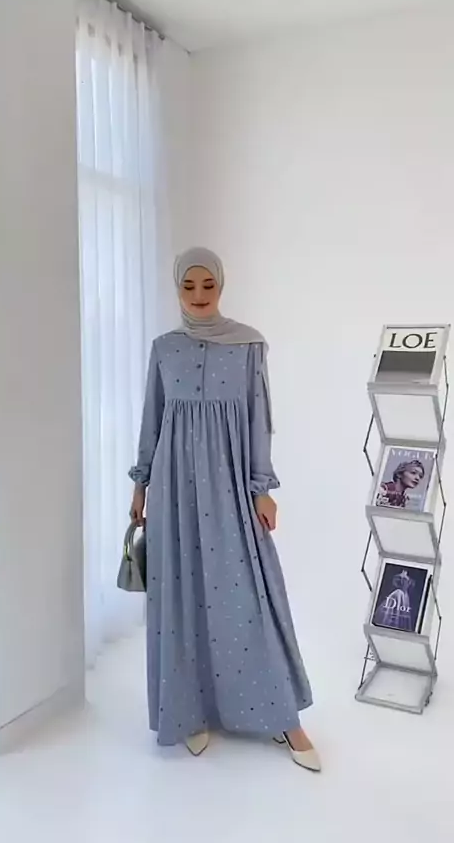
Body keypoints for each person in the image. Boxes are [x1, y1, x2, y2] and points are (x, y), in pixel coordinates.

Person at [129, 247, 320, 772]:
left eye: (207, 285)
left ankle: (283, 717)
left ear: (221, 285)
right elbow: (152, 419)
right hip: (173, 489)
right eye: (188, 286)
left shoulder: (248, 345)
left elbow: (260, 419)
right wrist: (140, 485)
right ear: (177, 289)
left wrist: (262, 488)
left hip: (231, 485)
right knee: (182, 594)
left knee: (249, 595)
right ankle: (187, 711)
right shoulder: (164, 348)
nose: (198, 295)